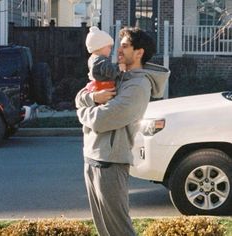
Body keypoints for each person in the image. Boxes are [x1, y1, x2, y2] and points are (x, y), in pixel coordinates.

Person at [75, 27, 170, 236]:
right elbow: (82, 94)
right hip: (92, 157)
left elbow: (101, 120)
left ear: (139, 52)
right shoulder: (117, 76)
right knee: (104, 229)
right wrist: (91, 99)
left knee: (119, 229)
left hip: (110, 162)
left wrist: (82, 111)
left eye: (125, 46)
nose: (118, 50)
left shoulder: (138, 86)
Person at [85, 26, 125, 92]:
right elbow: (108, 71)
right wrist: (119, 68)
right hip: (103, 87)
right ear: (100, 46)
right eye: (109, 47)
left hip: (96, 86)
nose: (110, 50)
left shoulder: (92, 58)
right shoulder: (100, 59)